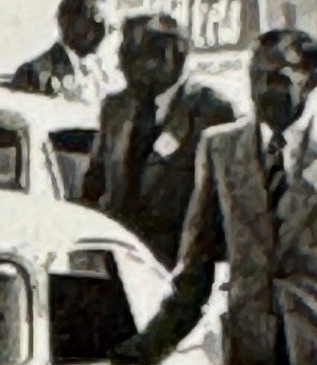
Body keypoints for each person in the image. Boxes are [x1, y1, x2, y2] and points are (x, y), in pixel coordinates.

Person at [112, 29, 317, 365]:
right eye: (256, 78)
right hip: (254, 362)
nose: (264, 90)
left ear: (312, 81)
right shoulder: (221, 149)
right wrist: (148, 347)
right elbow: (195, 269)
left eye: (279, 78)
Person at [82, 14, 236, 267]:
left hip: (178, 266)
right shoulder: (115, 108)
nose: (122, 66)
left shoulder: (212, 112)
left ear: (172, 58)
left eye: (133, 57)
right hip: (120, 263)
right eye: (123, 55)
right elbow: (95, 184)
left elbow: (224, 207)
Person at [11, 0, 112, 105]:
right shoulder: (34, 74)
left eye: (109, 25)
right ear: (66, 22)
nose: (104, 32)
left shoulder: (100, 74)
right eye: (96, 22)